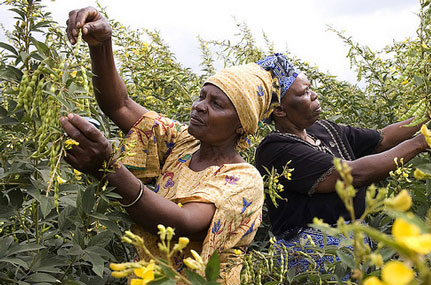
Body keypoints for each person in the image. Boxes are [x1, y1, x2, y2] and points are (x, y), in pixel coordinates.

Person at [62, 7, 277, 284]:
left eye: (217, 104)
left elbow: (181, 225)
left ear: (241, 125)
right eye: (202, 96)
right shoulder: (183, 141)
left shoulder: (244, 180)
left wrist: (108, 169)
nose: (199, 107)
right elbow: (119, 105)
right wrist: (102, 45)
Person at [254, 54, 429, 273]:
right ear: (279, 110)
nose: (315, 95)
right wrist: (421, 142)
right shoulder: (276, 149)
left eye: (310, 88)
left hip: (352, 252)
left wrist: (430, 114)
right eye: (304, 93)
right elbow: (351, 175)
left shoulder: (322, 129)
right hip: (314, 262)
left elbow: (382, 138)